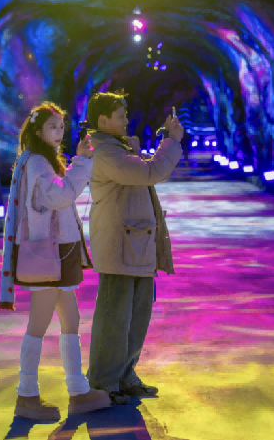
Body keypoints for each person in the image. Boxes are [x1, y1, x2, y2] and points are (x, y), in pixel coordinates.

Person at [0, 102, 112, 421]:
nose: (59, 132)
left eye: (61, 127)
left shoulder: (40, 159)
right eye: (52, 127)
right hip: (48, 253)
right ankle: (26, 395)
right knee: (38, 324)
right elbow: (60, 196)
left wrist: (78, 161)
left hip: (59, 251)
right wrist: (83, 162)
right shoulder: (37, 162)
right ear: (37, 131)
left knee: (71, 320)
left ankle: (78, 390)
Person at [83, 91, 185, 405]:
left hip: (136, 245)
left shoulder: (119, 149)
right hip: (119, 247)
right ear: (103, 120)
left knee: (136, 316)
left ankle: (125, 377)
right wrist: (171, 142)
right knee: (114, 318)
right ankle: (103, 383)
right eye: (120, 116)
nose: (126, 120)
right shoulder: (105, 153)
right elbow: (150, 172)